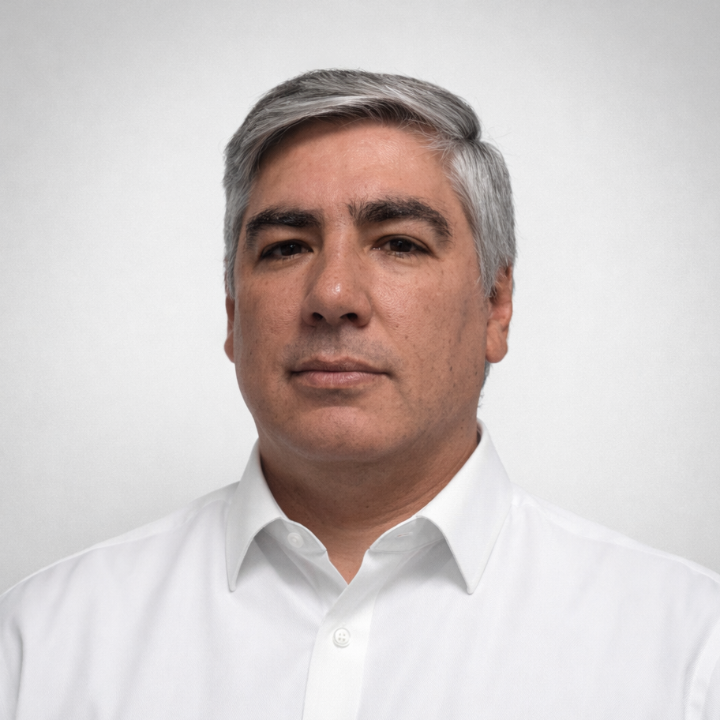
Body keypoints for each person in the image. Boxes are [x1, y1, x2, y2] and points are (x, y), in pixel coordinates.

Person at [1, 69, 719, 719]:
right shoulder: (39, 642)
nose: (333, 294)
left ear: (496, 307)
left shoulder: (688, 651)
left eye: (399, 243)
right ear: (231, 312)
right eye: (286, 247)